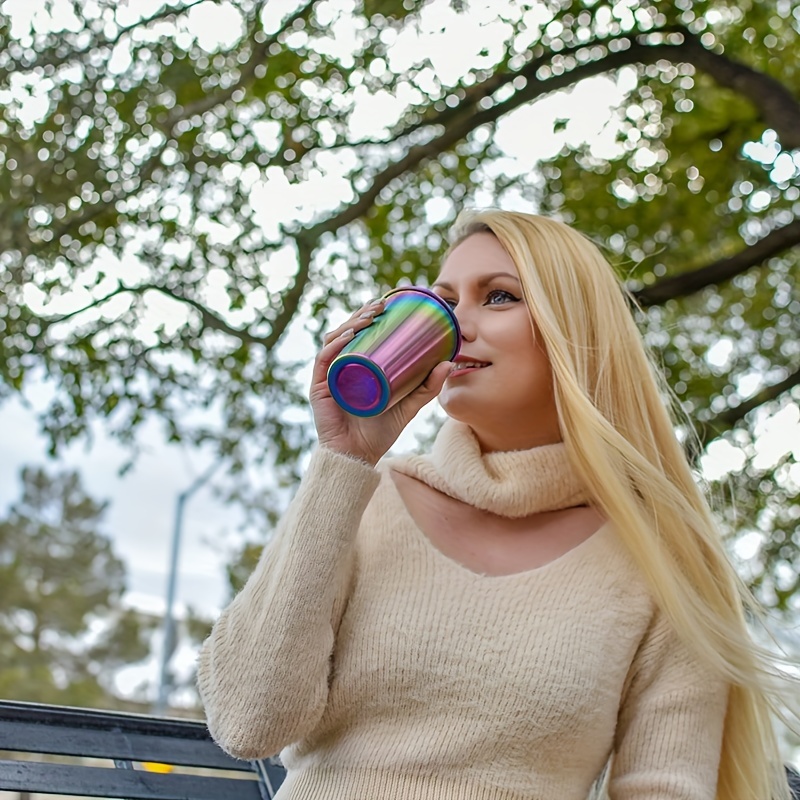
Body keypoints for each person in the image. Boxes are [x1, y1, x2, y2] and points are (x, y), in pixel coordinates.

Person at [197, 210, 795, 800]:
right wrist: (343, 460)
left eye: (500, 297)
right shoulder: (362, 500)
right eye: (442, 302)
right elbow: (250, 723)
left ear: (578, 335)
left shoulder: (661, 564)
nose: (455, 328)